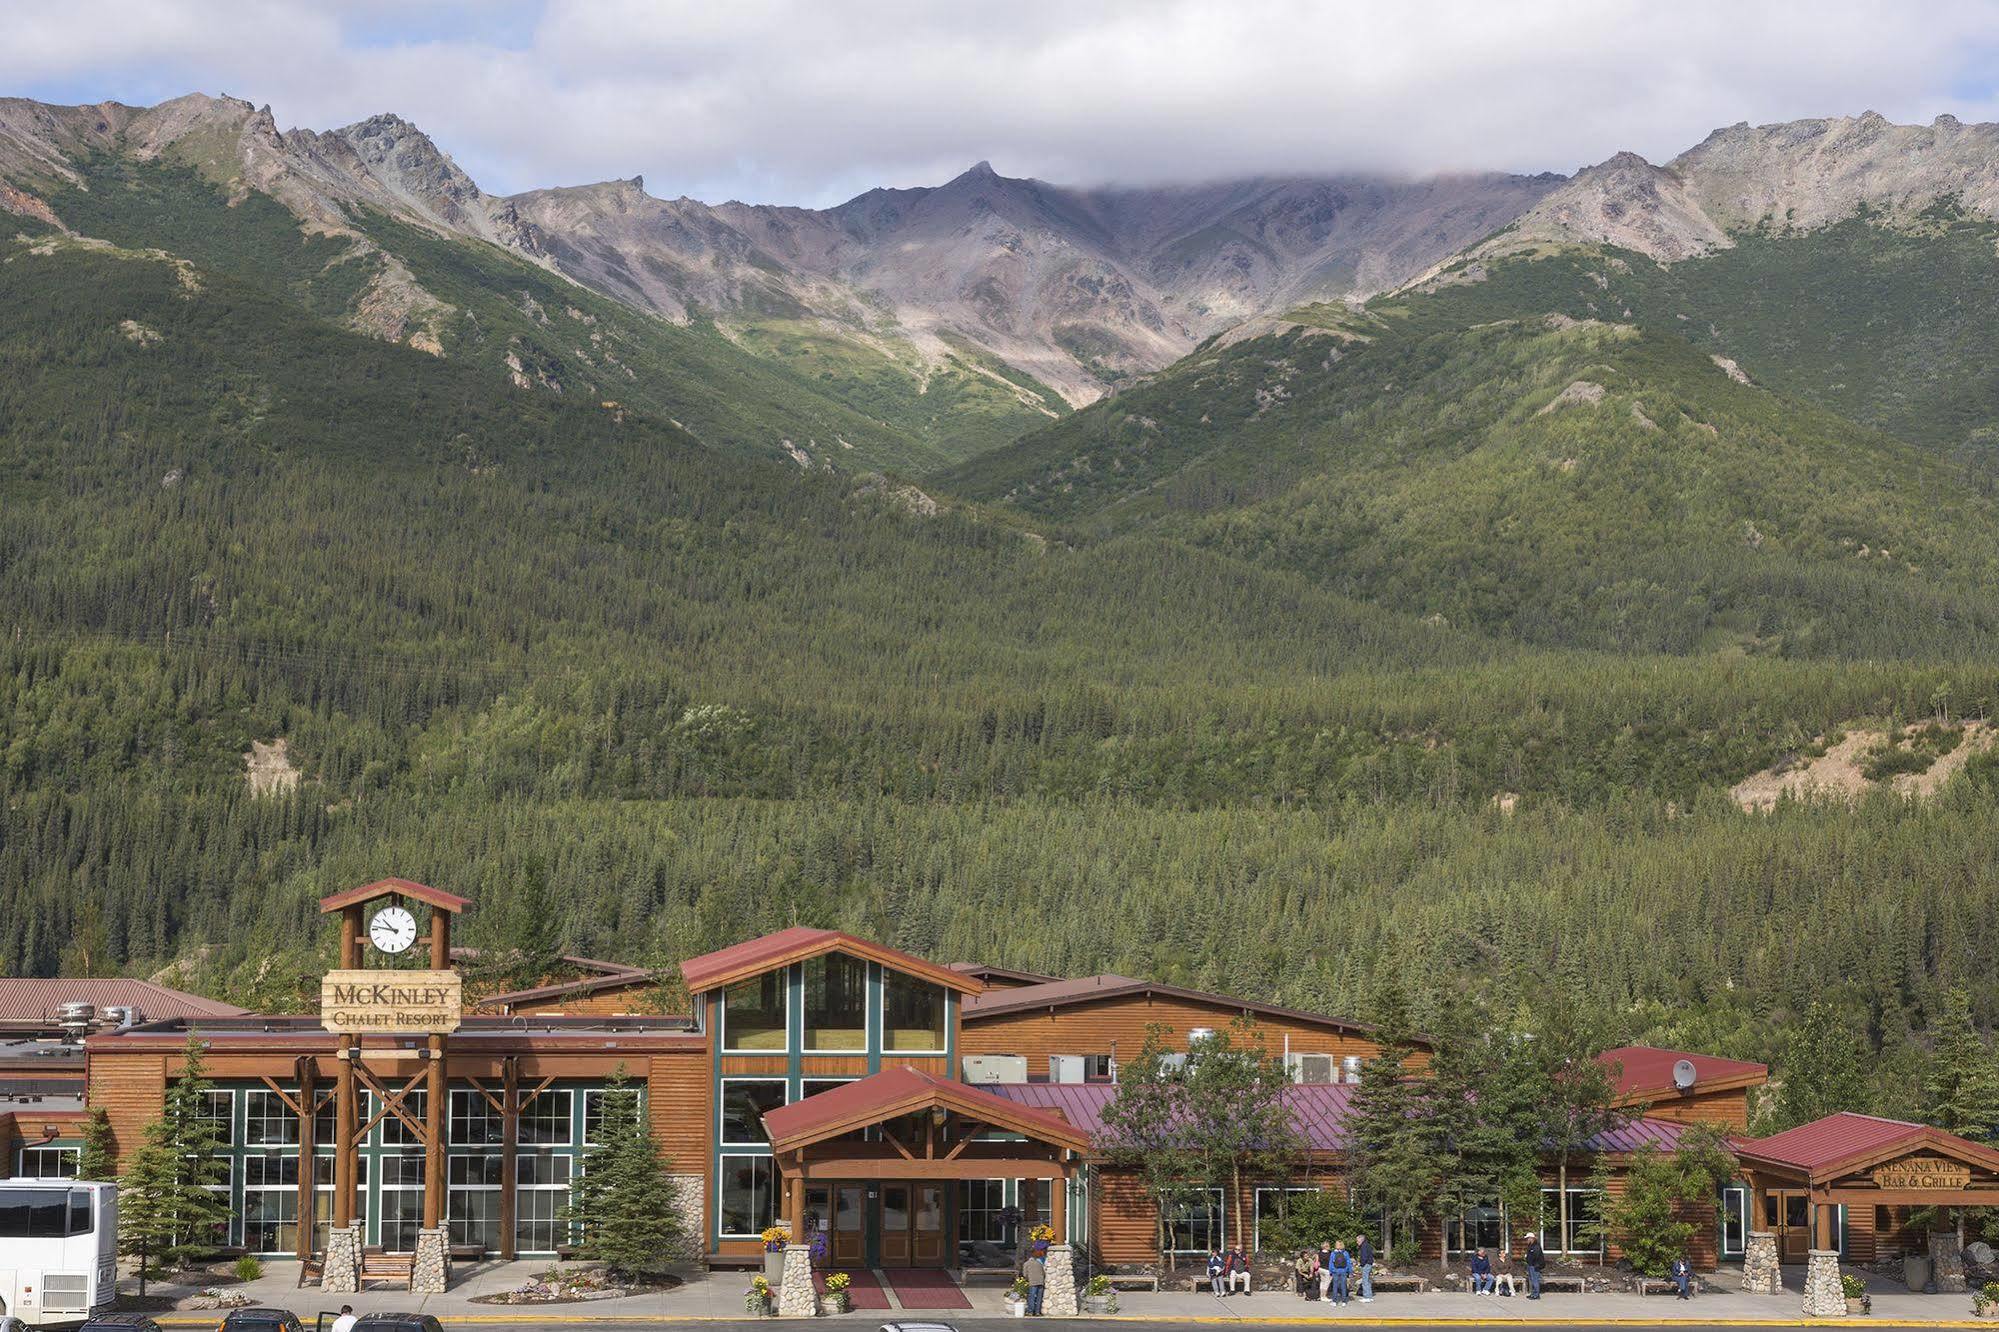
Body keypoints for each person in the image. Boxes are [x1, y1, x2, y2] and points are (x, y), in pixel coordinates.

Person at [1328, 1239, 1352, 1305]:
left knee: (1335, 1286)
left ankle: (1334, 1301)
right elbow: (1349, 1263)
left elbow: (1330, 1263)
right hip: (1344, 1271)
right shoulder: (1345, 1253)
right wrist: (1350, 1272)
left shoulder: (1333, 1253)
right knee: (1343, 1286)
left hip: (1335, 1271)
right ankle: (1344, 1301)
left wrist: (1330, 1271)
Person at [1024, 1250, 1047, 1315]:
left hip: (1033, 1282)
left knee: (1032, 1297)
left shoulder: (1026, 1264)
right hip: (1041, 1282)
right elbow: (1043, 1273)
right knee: (1039, 1298)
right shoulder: (1039, 1263)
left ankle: (1030, 1311)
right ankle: (1037, 1312)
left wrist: (1028, 1279)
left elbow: (1025, 1274)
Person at [1355, 1232, 1375, 1303]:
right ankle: (1369, 1296)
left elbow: (1364, 1257)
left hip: (1366, 1264)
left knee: (1365, 1281)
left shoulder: (1363, 1246)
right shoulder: (1368, 1245)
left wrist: (1361, 1264)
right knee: (1367, 1281)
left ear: (1361, 1239)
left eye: (1357, 1240)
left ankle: (1366, 1297)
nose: (1357, 1242)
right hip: (1369, 1264)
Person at [1524, 1234, 1544, 1300]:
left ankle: (1536, 1295)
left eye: (1527, 1238)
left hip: (1535, 1265)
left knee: (1535, 1280)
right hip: (1530, 1265)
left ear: (1531, 1238)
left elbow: (1536, 1256)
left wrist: (1529, 1259)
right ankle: (1533, 1294)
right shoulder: (1531, 1245)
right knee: (1532, 1280)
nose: (1527, 1240)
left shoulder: (1536, 1246)